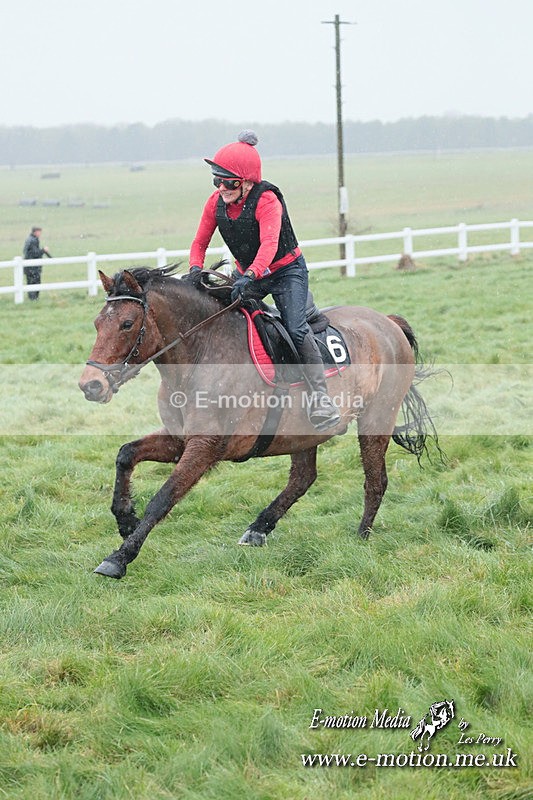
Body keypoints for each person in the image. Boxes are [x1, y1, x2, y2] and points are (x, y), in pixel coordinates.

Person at [185, 130, 340, 431]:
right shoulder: (215, 203)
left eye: (228, 182)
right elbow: (199, 243)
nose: (221, 187)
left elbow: (269, 246)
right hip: (250, 273)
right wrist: (194, 269)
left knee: (295, 329)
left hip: (286, 272)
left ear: (246, 181)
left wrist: (251, 275)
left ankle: (321, 398)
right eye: (216, 180)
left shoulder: (267, 200)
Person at [23, 226, 50, 300]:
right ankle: (34, 299)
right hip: (33, 267)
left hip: (29, 267)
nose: (40, 234)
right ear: (35, 232)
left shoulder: (30, 239)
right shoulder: (33, 240)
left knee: (31, 283)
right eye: (39, 232)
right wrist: (43, 250)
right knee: (35, 283)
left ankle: (32, 299)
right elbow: (35, 253)